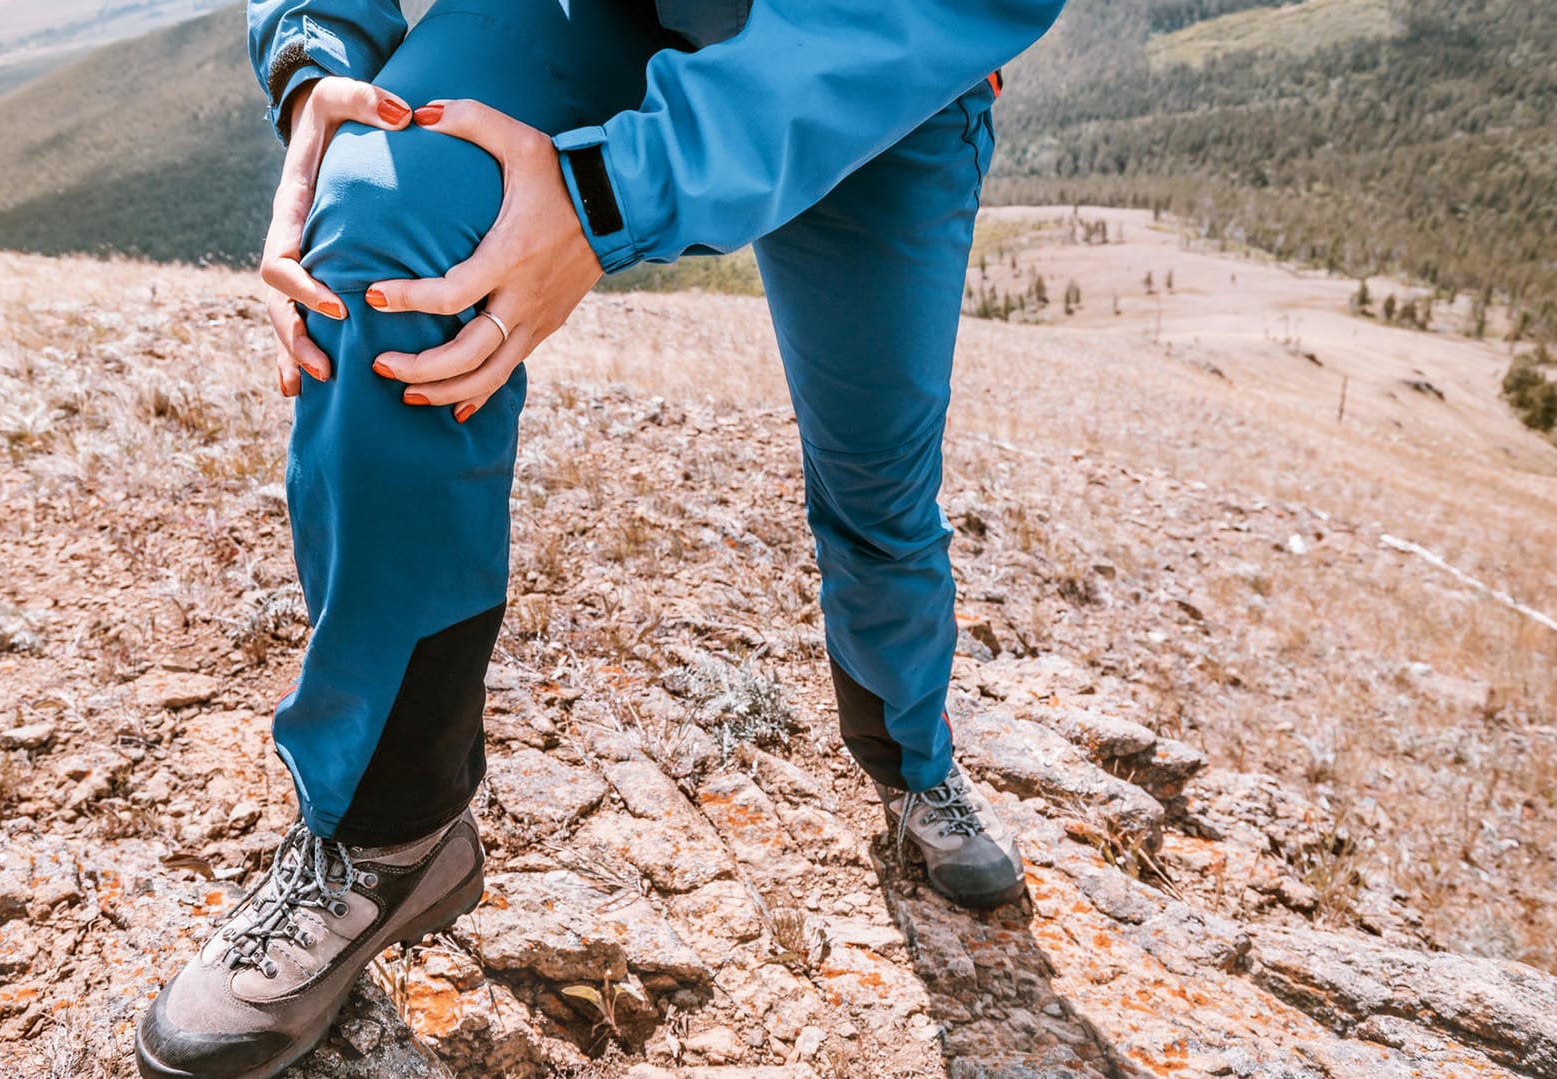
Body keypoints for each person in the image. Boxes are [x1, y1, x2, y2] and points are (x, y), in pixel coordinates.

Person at [137, 0, 1067, 1073]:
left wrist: (606, 193)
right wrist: (314, 56)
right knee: (380, 225)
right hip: (602, 12)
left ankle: (911, 760)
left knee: (877, 481)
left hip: (875, 69)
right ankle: (389, 830)